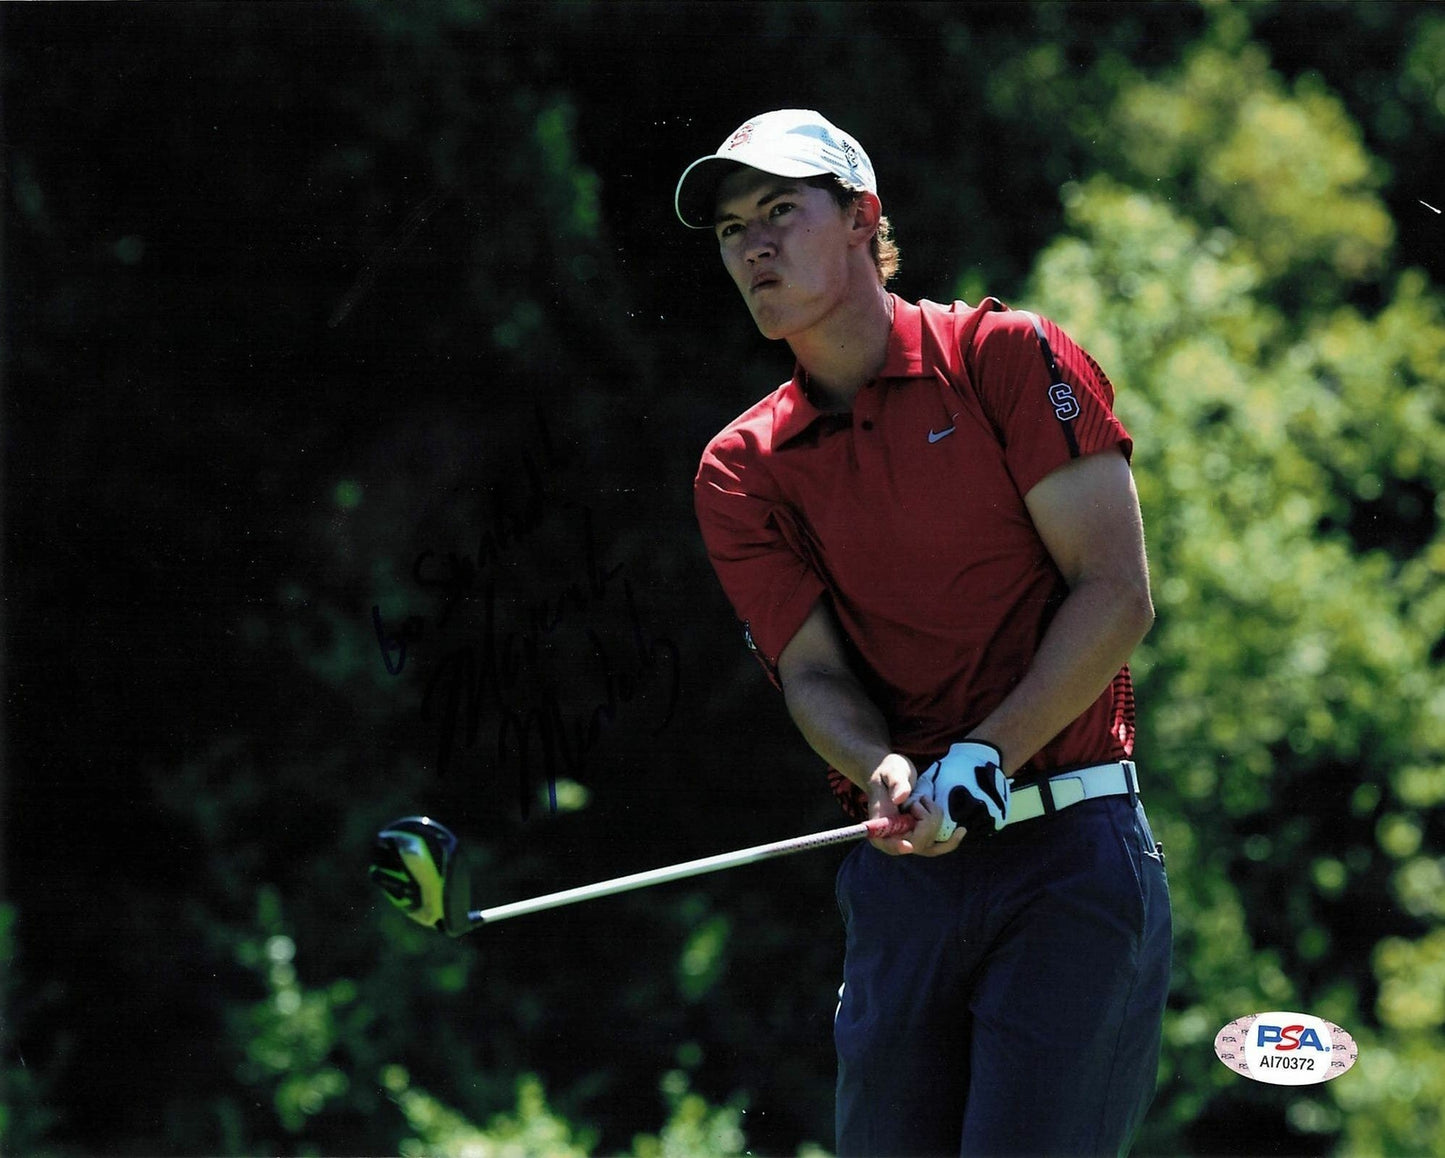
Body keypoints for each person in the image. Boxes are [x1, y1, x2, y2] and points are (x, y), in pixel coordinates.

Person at [675, 110, 1172, 1157]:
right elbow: (810, 673)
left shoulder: (1003, 358)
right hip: (904, 879)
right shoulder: (742, 467)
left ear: (862, 219)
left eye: (779, 211)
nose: (753, 246)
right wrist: (881, 768)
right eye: (729, 230)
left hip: (1067, 859)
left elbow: (1114, 592)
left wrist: (988, 750)